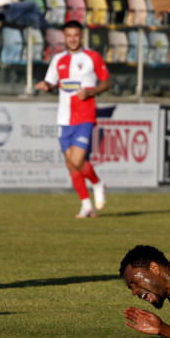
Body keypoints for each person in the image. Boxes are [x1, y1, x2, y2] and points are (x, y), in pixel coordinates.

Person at [34, 21, 111, 218]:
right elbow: (51, 83)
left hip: (84, 116)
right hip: (64, 119)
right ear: (64, 37)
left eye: (76, 35)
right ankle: (86, 205)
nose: (72, 39)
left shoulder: (92, 57)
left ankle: (97, 183)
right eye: (69, 35)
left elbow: (108, 82)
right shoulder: (58, 59)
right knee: (71, 164)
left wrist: (91, 92)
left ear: (81, 35)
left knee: (77, 160)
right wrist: (46, 86)